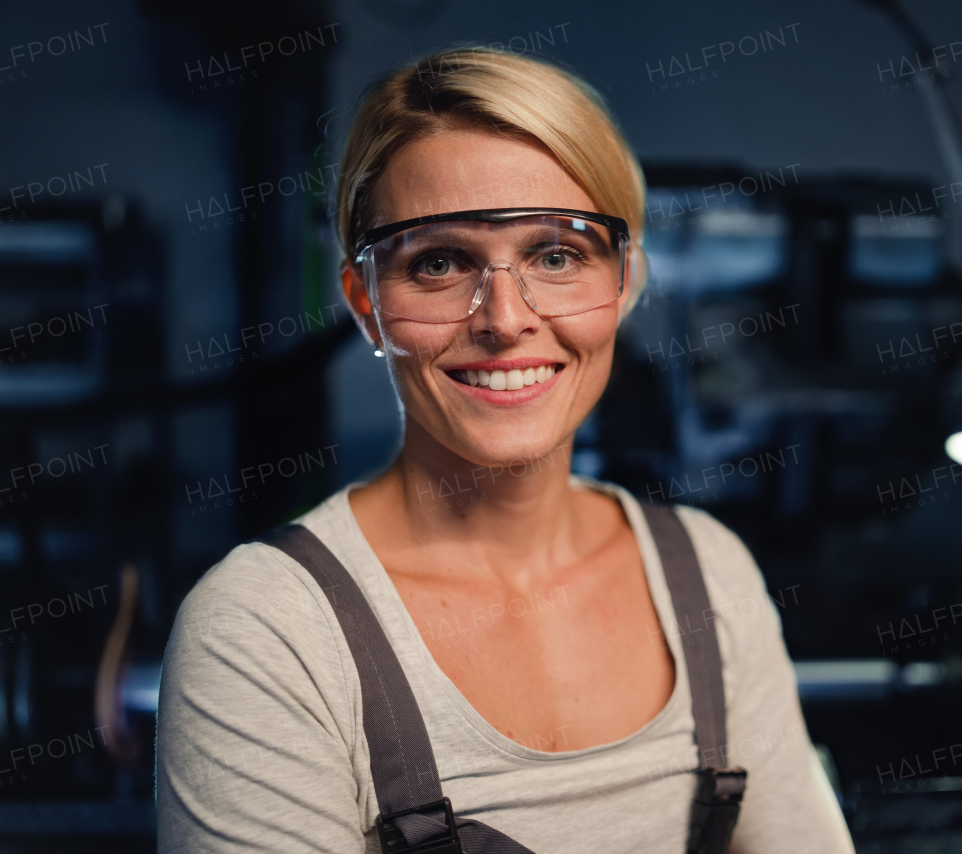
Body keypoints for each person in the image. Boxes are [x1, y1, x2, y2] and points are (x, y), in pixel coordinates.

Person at [156, 45, 854, 854]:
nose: (503, 319)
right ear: (367, 303)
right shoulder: (265, 630)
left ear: (624, 282)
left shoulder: (710, 575)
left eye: (557, 256)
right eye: (440, 263)